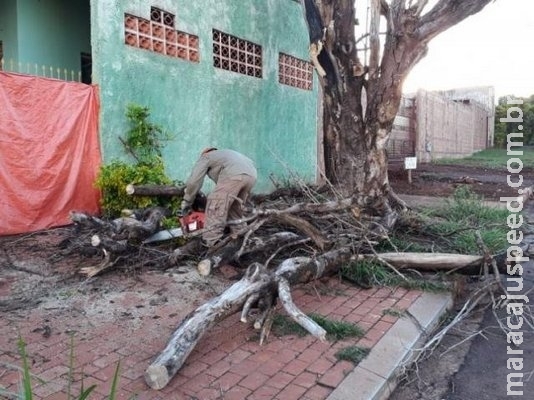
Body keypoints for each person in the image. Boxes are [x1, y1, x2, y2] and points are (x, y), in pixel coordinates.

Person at [181, 148, 257, 249]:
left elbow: (194, 181)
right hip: (252, 176)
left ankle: (211, 246)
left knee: (215, 206)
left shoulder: (206, 156)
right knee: (235, 211)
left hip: (234, 175)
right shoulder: (226, 154)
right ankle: (243, 243)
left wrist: (187, 201)